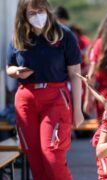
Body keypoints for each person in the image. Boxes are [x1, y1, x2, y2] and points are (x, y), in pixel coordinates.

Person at [6, 0, 84, 179]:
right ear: (23, 15)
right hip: (26, 99)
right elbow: (9, 66)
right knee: (34, 157)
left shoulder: (63, 35)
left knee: (52, 155)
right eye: (32, 13)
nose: (37, 16)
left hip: (55, 97)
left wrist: (77, 110)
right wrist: (16, 72)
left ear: (48, 10)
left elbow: (75, 73)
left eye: (40, 10)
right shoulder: (19, 37)